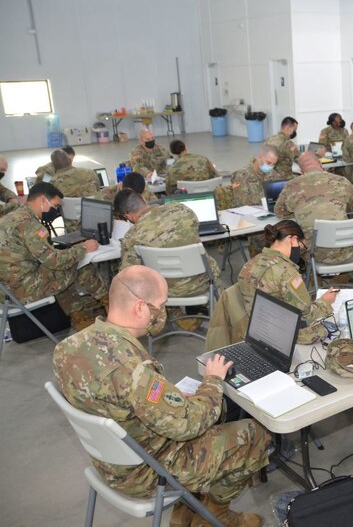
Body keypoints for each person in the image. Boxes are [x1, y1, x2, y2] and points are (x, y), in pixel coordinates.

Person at [52, 265, 269, 527]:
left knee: (210, 411)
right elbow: (190, 425)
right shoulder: (135, 371)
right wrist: (212, 380)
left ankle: (184, 512)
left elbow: (121, 399)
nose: (164, 312)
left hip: (109, 462)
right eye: (162, 304)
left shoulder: (67, 348)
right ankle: (215, 517)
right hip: (147, 472)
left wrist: (176, 398)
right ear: (140, 308)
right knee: (253, 433)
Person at [0, 182, 107, 329]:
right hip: (22, 291)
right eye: (55, 206)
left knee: (60, 271)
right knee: (79, 264)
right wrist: (83, 247)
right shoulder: (29, 223)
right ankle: (109, 305)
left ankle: (79, 317)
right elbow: (55, 261)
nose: (56, 211)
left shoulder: (11, 217)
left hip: (6, 290)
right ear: (43, 200)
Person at [115, 190, 222, 329]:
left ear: (128, 216)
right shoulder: (182, 210)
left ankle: (173, 316)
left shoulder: (132, 236)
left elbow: (127, 273)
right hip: (202, 282)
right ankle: (221, 316)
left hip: (163, 291)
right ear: (143, 198)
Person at [274, 152, 353, 269]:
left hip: (314, 253)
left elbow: (280, 212)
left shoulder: (291, 186)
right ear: (321, 165)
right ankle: (352, 275)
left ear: (301, 171)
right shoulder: (342, 181)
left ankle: (316, 277)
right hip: (350, 249)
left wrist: (298, 210)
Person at [238, 220, 338, 346]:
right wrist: (325, 302)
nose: (300, 253)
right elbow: (306, 315)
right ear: (293, 239)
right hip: (279, 333)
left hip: (255, 328)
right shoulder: (287, 273)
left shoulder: (250, 263)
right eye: (301, 248)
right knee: (329, 327)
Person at [93, 171, 157, 204]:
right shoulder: (107, 194)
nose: (133, 198)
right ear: (121, 187)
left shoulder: (142, 187)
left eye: (137, 195)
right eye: (130, 195)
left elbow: (156, 204)